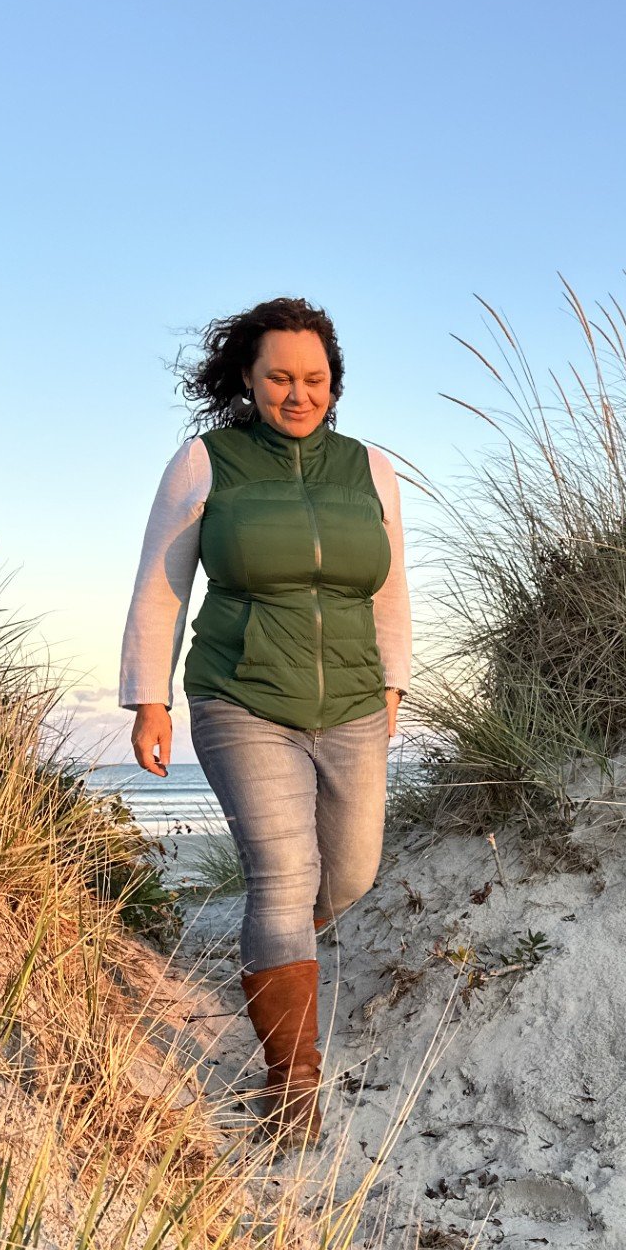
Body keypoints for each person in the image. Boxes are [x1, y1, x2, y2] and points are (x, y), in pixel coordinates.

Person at [118, 296, 411, 1150]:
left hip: (354, 701)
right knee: (283, 876)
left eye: (314, 379)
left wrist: (394, 686)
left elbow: (388, 589)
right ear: (248, 378)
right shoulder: (206, 462)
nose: (298, 393)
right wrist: (149, 699)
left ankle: (275, 965)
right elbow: (161, 583)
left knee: (349, 875)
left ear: (334, 384)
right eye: (280, 376)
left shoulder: (369, 467)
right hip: (240, 693)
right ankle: (293, 1089)